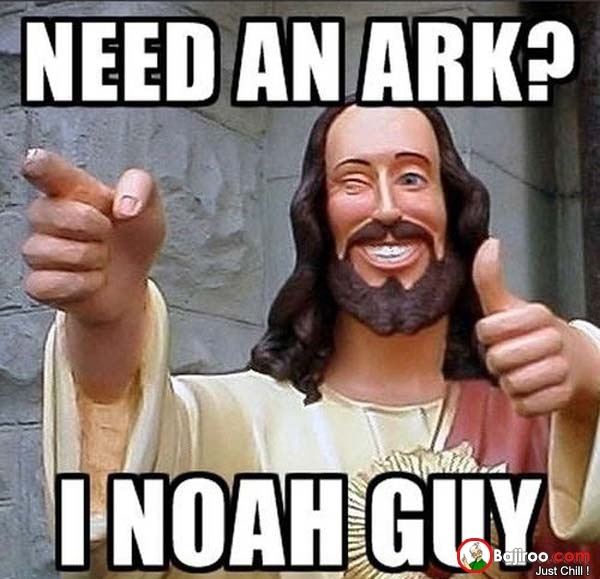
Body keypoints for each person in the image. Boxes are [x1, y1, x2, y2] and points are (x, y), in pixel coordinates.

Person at [22, 100, 600, 578]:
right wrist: (107, 324)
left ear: (452, 209)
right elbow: (117, 522)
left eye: (412, 178)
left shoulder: (539, 426)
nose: (387, 208)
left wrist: (590, 390)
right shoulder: (240, 422)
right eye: (354, 182)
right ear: (317, 218)